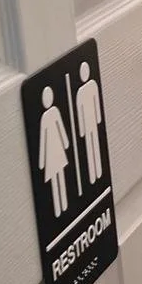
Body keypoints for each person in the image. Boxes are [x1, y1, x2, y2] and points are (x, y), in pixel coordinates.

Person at [39, 86, 71, 217]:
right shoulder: (48, 116)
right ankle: (60, 208)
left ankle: (62, 206)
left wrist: (65, 142)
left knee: (58, 178)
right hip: (54, 150)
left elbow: (60, 129)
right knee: (58, 178)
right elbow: (43, 139)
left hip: (55, 150)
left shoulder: (49, 115)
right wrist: (66, 143)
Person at [76, 61, 104, 185]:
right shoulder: (81, 92)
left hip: (91, 123)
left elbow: (95, 103)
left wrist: (98, 119)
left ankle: (96, 173)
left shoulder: (89, 87)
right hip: (88, 123)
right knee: (92, 145)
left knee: (94, 145)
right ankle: (94, 176)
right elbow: (80, 110)